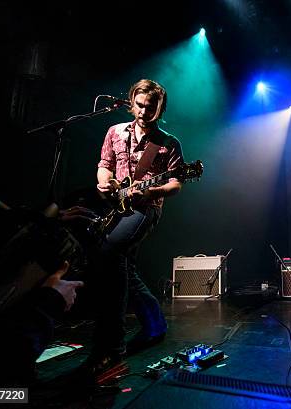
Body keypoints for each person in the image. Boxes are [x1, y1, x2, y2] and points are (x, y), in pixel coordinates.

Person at [84, 79, 183, 376]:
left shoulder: (168, 143)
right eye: (139, 106)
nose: (143, 112)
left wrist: (151, 192)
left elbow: (177, 183)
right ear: (131, 102)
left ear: (160, 109)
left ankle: (111, 347)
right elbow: (105, 164)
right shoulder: (114, 132)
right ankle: (154, 322)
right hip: (117, 204)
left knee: (110, 253)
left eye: (150, 109)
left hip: (146, 210)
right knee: (124, 267)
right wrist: (104, 180)